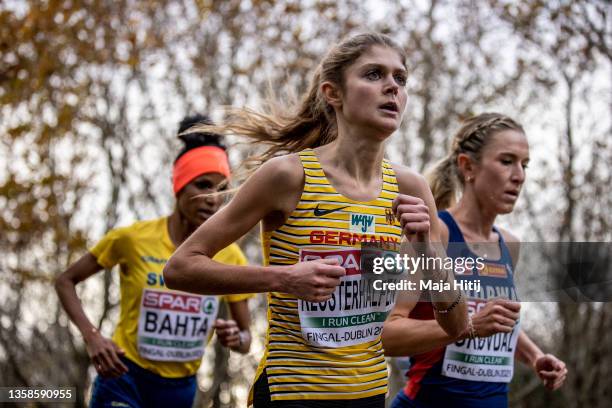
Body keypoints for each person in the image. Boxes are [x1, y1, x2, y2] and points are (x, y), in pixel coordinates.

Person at [163, 33, 467, 407]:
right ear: (332, 93)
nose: (392, 87)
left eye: (400, 79)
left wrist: (426, 247)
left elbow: (456, 326)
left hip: (370, 394)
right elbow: (180, 268)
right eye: (374, 74)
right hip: (292, 393)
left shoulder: (411, 188)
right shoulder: (288, 176)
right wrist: (284, 278)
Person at [55, 115, 253, 408]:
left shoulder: (230, 256)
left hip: (180, 389)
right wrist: (93, 337)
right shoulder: (133, 239)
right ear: (179, 187)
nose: (213, 198)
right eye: (203, 185)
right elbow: (65, 281)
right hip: (124, 375)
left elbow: (248, 338)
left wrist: (236, 337)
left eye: (222, 189)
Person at [383, 113, 568, 407]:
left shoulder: (510, 244)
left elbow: (495, 320)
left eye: (524, 164)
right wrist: (467, 325)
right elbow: (387, 334)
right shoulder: (435, 235)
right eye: (507, 161)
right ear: (468, 166)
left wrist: (534, 356)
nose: (519, 175)